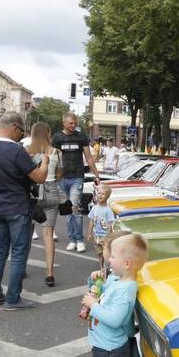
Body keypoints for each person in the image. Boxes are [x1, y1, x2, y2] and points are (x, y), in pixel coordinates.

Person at [0, 113, 49, 310]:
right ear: (14, 127)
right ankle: (13, 299)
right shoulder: (16, 151)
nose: (21, 135)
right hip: (17, 207)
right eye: (21, 131)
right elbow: (39, 178)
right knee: (18, 254)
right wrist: (45, 161)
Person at [53, 113, 99, 253]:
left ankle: (79, 240)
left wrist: (97, 175)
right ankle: (72, 239)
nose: (73, 125)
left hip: (77, 177)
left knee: (75, 208)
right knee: (67, 210)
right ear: (64, 123)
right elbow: (53, 157)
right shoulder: (57, 138)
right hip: (62, 178)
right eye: (71, 123)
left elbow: (89, 157)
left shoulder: (81, 137)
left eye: (75, 123)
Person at [26, 122, 63, 287]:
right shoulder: (56, 152)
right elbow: (60, 174)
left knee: (28, 232)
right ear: (48, 133)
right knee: (48, 235)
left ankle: (21, 268)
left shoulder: (28, 152)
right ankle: (50, 274)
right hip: (52, 192)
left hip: (34, 195)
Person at [87, 185, 115, 267]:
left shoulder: (108, 210)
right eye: (99, 193)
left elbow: (110, 224)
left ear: (108, 196)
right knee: (99, 254)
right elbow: (91, 220)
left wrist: (108, 237)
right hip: (97, 236)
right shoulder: (94, 208)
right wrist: (89, 233)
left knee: (106, 254)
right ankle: (102, 269)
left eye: (103, 194)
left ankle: (108, 270)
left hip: (105, 236)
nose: (100, 195)